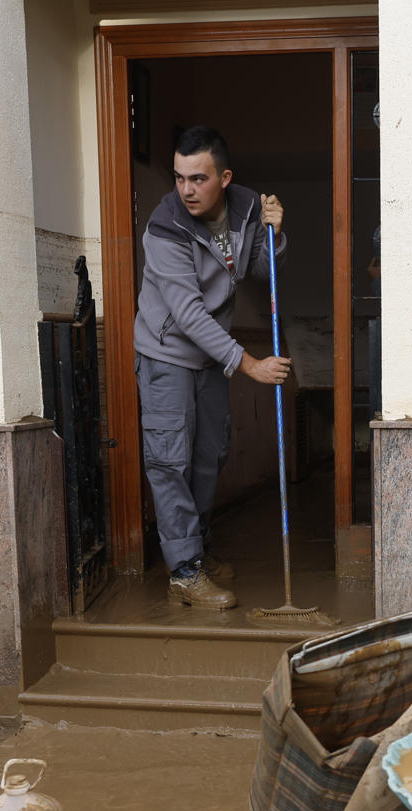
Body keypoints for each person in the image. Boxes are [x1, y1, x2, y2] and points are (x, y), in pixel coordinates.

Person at [133, 124, 290, 610]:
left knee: (208, 456)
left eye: (197, 179)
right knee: (171, 460)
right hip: (168, 355)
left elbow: (264, 273)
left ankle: (196, 552)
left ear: (223, 177)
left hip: (209, 356)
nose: (186, 190)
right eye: (179, 178)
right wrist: (248, 365)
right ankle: (183, 573)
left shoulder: (245, 209)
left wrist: (274, 235)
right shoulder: (165, 227)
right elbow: (188, 314)